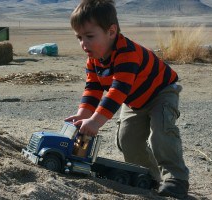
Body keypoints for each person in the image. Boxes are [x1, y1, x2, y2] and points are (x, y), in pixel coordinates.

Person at [65, 0, 189, 198]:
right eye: (79, 37)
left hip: (161, 93)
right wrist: (83, 115)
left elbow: (118, 90)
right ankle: (150, 176)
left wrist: (96, 122)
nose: (83, 43)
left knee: (161, 133)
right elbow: (93, 88)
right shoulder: (93, 60)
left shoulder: (127, 53)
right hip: (135, 100)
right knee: (127, 140)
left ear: (111, 31)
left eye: (89, 36)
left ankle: (176, 179)